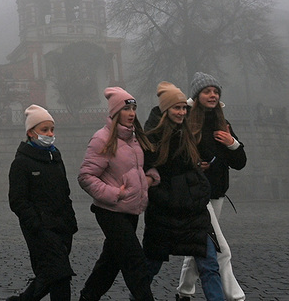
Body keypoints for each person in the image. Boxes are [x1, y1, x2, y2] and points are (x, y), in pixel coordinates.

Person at [142, 82, 224, 301]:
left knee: (209, 265)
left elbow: (195, 166)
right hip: (164, 211)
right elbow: (146, 171)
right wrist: (164, 197)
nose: (181, 112)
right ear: (165, 110)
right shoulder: (150, 138)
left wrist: (201, 190)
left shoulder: (187, 131)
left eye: (183, 108)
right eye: (176, 108)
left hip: (193, 210)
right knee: (150, 265)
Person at [76, 87, 159, 301]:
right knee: (134, 261)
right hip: (110, 210)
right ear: (115, 112)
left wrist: (150, 178)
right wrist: (115, 193)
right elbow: (85, 176)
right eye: (126, 109)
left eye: (134, 108)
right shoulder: (101, 139)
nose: (131, 113)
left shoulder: (135, 138)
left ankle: (87, 297)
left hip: (131, 211)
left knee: (110, 263)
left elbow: (147, 166)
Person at [176, 72, 247, 301]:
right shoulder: (185, 121)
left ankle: (184, 293)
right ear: (197, 96)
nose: (213, 95)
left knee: (200, 245)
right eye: (207, 91)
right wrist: (195, 164)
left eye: (216, 91)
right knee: (220, 249)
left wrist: (233, 144)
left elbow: (240, 164)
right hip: (196, 195)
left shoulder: (223, 124)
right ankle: (236, 297)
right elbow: (174, 158)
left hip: (217, 195)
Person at [7, 104, 78, 301]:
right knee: (61, 275)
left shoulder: (55, 156)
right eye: (44, 130)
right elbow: (17, 200)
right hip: (40, 230)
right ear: (31, 132)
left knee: (52, 275)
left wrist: (70, 221)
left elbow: (65, 192)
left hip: (62, 227)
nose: (49, 134)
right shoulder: (21, 162)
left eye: (52, 129)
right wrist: (36, 224)